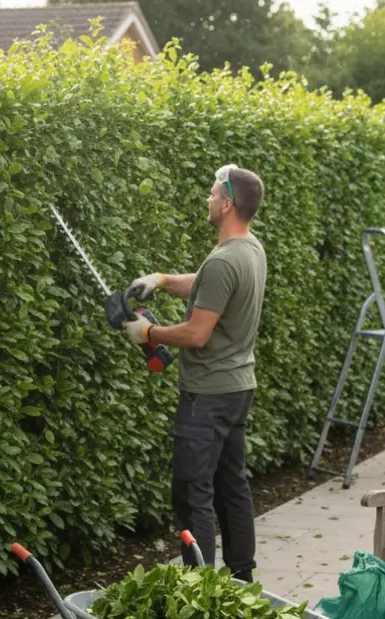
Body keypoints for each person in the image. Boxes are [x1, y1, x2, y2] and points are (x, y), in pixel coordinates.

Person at [121, 164, 266, 582]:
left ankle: (199, 587)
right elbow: (206, 285)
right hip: (238, 388)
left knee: (192, 494)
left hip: (207, 395)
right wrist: (163, 281)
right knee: (231, 486)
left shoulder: (225, 259)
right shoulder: (249, 248)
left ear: (226, 203)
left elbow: (197, 333)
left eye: (211, 193)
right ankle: (241, 578)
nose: (207, 198)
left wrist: (147, 331)